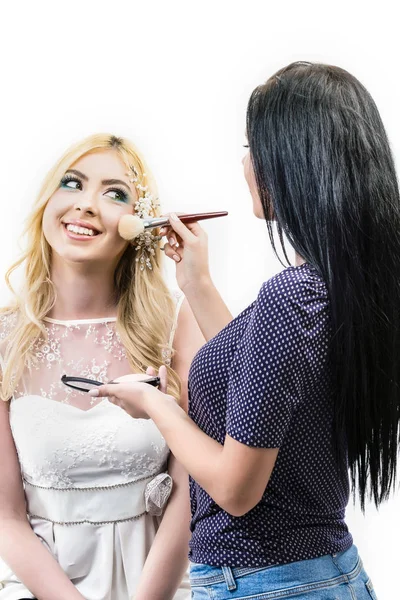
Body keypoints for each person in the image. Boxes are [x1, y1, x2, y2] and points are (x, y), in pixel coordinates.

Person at [89, 63, 400, 599]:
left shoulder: (292, 296)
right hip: (323, 575)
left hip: (266, 584)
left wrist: (157, 408)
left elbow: (235, 491)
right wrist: (198, 284)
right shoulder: (337, 288)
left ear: (291, 161)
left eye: (253, 147)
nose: (245, 162)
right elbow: (270, 377)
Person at [0, 133, 204, 600]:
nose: (87, 205)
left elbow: (192, 488)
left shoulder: (174, 322)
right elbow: (5, 515)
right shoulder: (4, 337)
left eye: (115, 194)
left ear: (140, 223)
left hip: (161, 583)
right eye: (71, 184)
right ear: (46, 201)